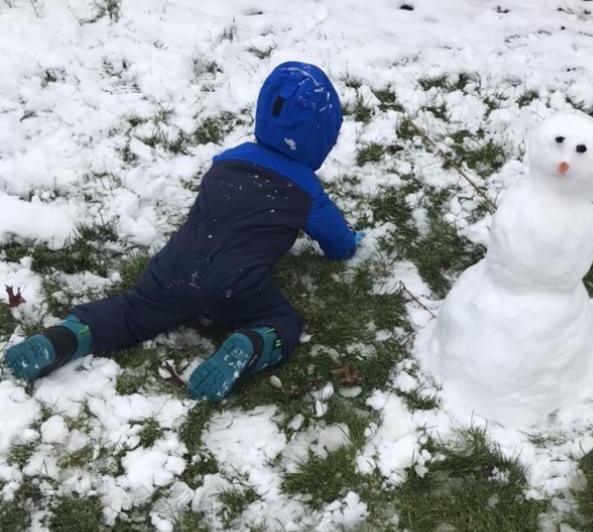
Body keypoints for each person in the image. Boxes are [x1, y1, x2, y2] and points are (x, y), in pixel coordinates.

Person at [3, 61, 363, 402]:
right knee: (283, 320)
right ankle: (251, 345)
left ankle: (66, 337)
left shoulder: (226, 163)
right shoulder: (306, 191)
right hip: (235, 283)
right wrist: (349, 243)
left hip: (175, 267)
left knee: (132, 310)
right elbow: (337, 241)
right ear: (322, 138)